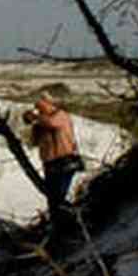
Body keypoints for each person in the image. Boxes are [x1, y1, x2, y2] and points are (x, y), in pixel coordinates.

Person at [23, 92, 83, 228]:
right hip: (50, 164)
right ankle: (59, 225)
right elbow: (34, 142)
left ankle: (71, 223)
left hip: (65, 160)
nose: (38, 110)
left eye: (40, 106)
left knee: (59, 199)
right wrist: (34, 125)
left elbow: (53, 123)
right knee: (53, 200)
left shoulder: (61, 115)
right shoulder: (42, 122)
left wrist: (36, 117)